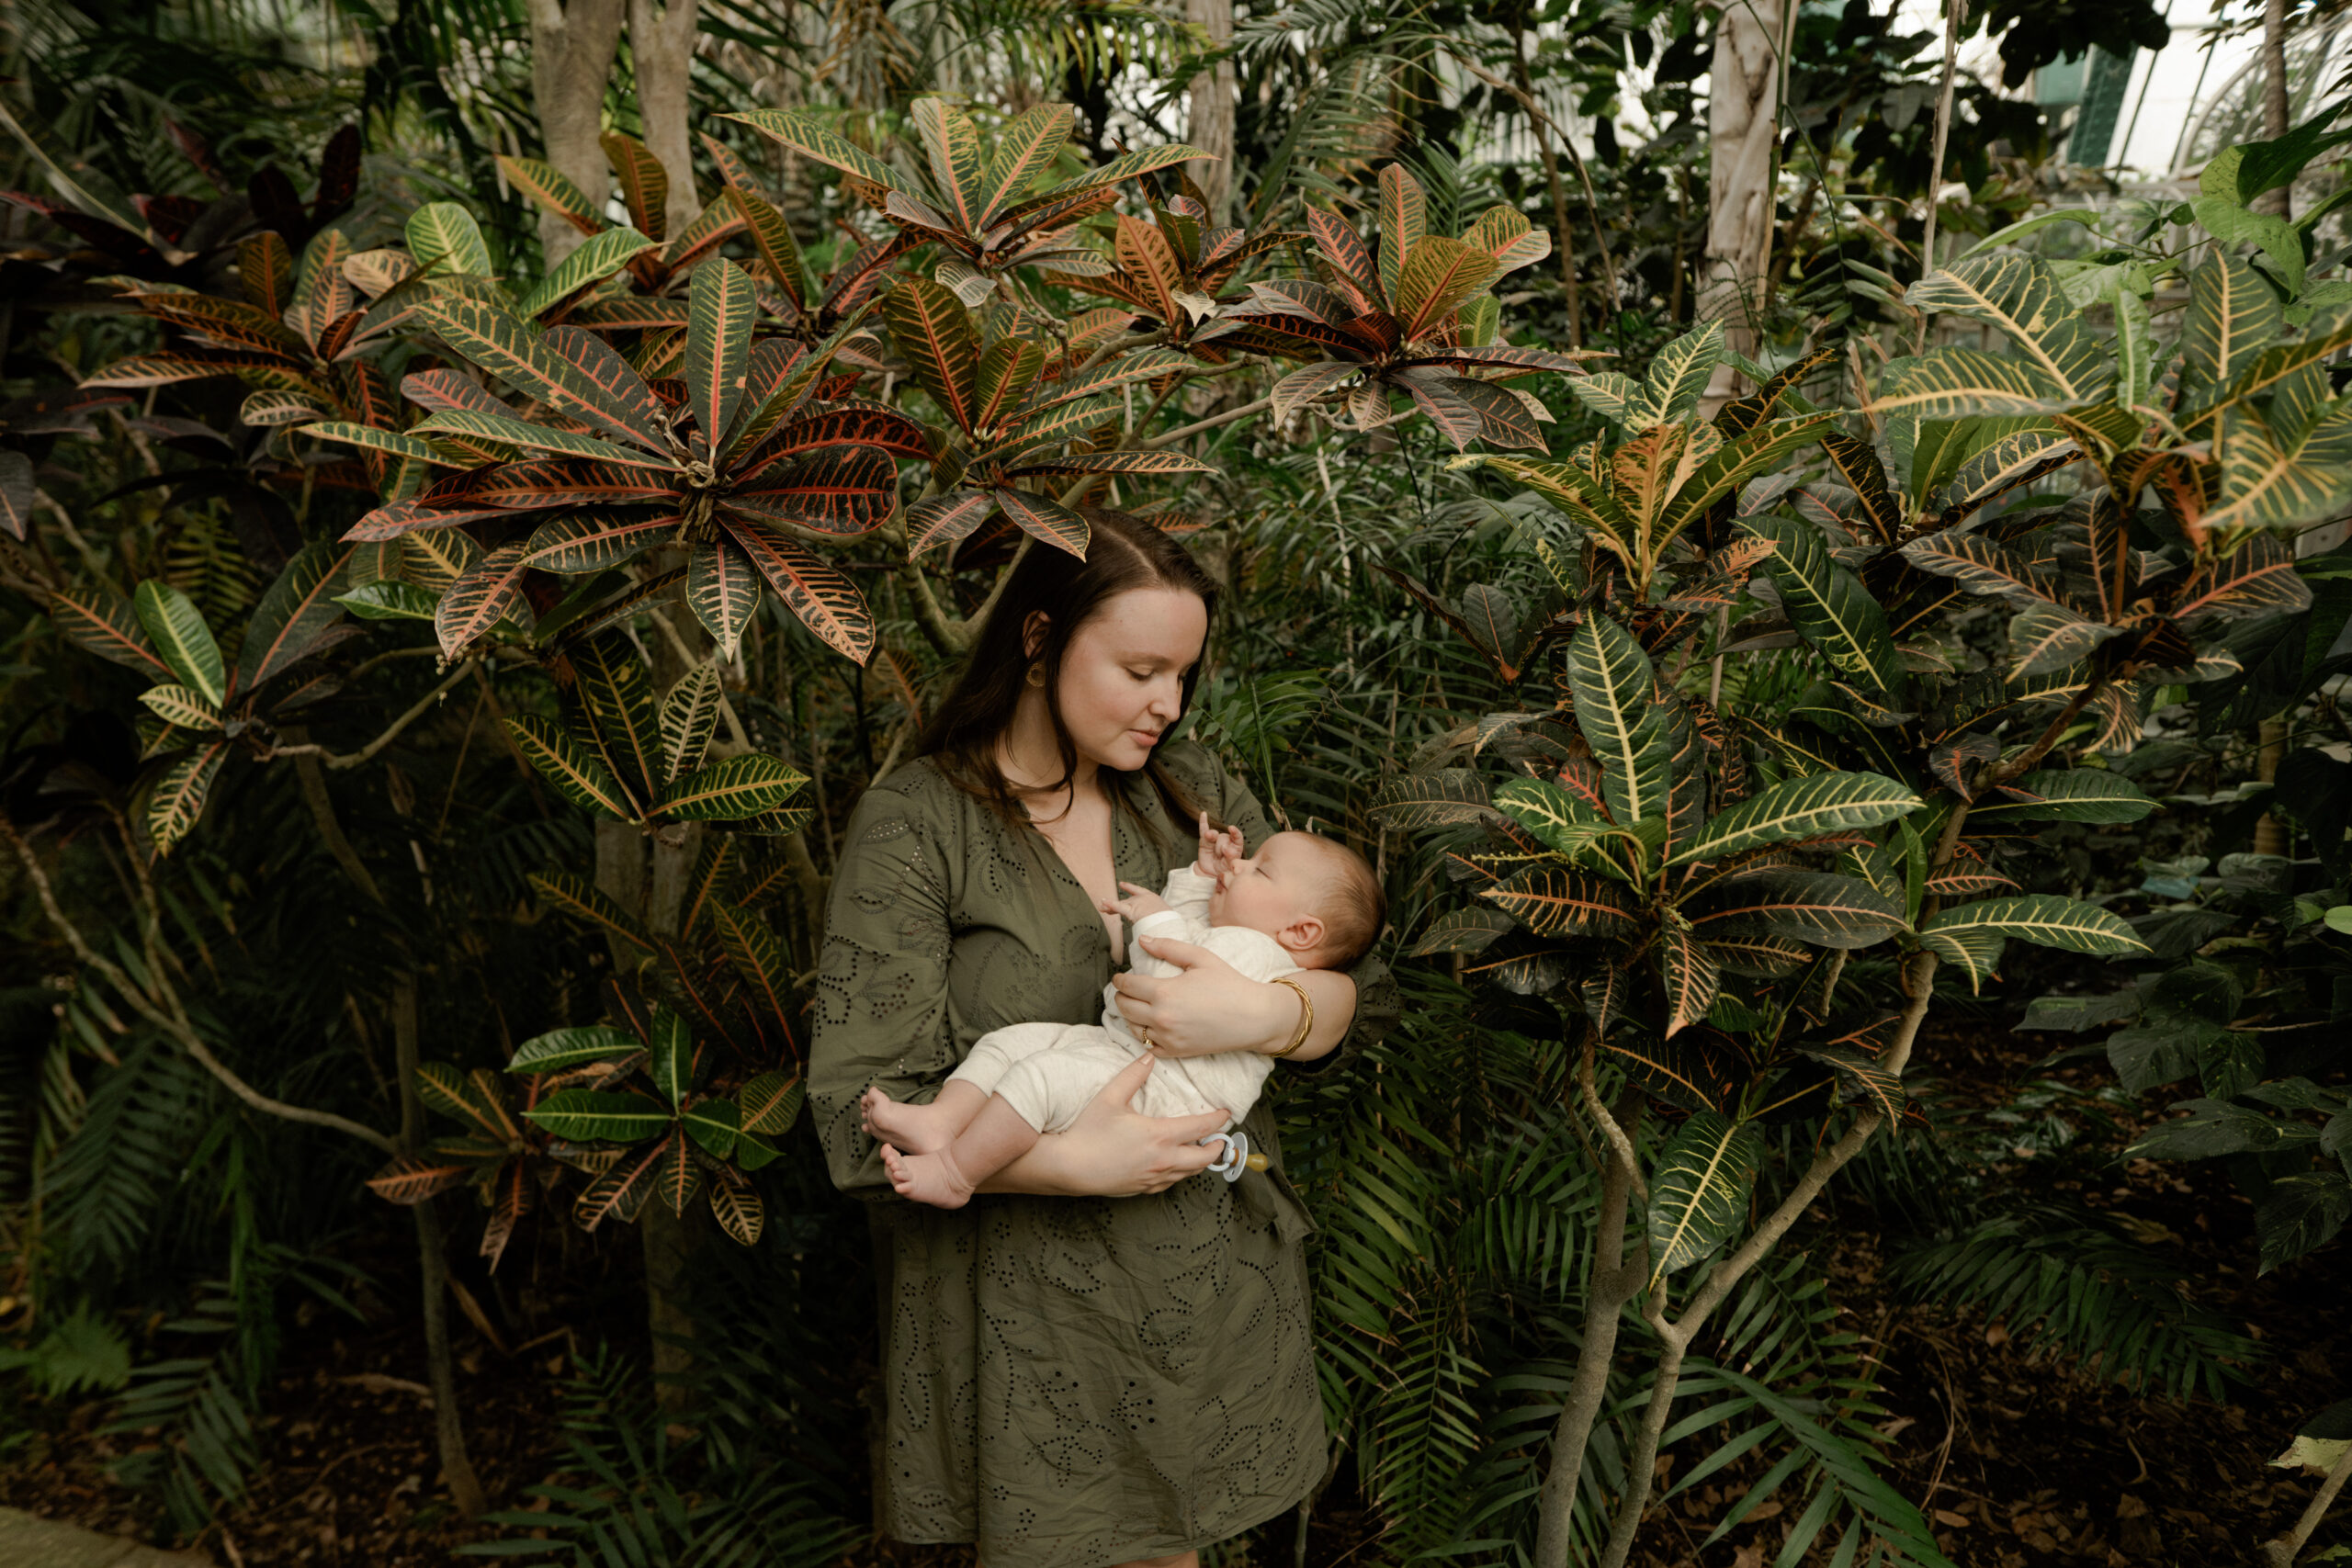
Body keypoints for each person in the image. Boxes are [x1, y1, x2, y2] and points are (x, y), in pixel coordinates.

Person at [808, 508, 1397, 1568]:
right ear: (1038, 640)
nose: (1166, 704)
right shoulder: (918, 823)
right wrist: (1068, 1164)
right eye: (1138, 670)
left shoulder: (1188, 792)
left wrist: (1268, 1014)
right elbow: (855, 1111)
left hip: (1198, 1294)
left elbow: (1345, 978)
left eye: (1182, 675)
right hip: (1028, 1320)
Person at [862, 811, 1385, 1209]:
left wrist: (1154, 920)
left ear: (1300, 932)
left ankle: (956, 1173)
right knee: (1011, 1043)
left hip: (1161, 1091)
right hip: (1125, 1054)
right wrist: (1203, 878)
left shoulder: (1259, 955)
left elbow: (1163, 991)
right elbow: (1193, 927)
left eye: (1259, 871)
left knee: (1040, 1078)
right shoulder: (1239, 937)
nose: (1239, 863)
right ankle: (944, 1121)